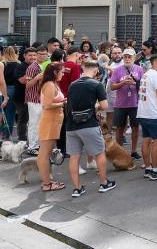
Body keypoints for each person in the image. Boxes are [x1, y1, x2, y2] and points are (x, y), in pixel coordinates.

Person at [66, 60, 116, 197]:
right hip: (89, 124)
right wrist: (96, 106)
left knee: (74, 156)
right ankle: (104, 183)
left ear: (83, 69)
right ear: (95, 71)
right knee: (99, 153)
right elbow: (104, 106)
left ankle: (77, 188)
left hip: (71, 125)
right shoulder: (96, 84)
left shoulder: (72, 85)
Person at [110, 47, 144, 161]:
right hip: (120, 104)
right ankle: (119, 152)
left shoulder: (139, 69)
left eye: (129, 57)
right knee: (119, 128)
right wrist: (123, 83)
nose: (127, 59)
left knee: (135, 127)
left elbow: (143, 86)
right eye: (125, 57)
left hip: (135, 103)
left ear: (134, 58)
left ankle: (133, 151)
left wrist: (134, 83)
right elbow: (112, 86)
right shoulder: (117, 70)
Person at [37, 63, 66, 192]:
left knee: (46, 153)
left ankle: (47, 181)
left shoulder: (52, 84)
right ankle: (47, 183)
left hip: (53, 122)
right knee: (44, 154)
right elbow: (47, 105)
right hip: (49, 122)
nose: (63, 74)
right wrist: (63, 103)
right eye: (62, 72)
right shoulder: (49, 84)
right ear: (55, 72)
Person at [22, 45, 50, 154]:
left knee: (38, 123)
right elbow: (27, 85)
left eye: (45, 54)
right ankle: (32, 147)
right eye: (40, 54)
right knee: (33, 123)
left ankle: (36, 145)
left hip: (39, 99)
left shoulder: (40, 66)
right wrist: (37, 78)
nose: (43, 56)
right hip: (33, 99)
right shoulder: (32, 67)